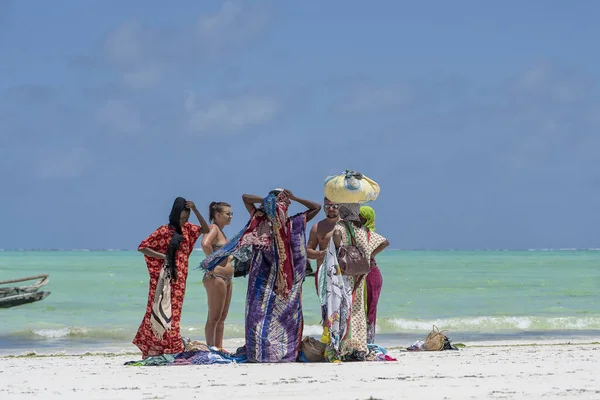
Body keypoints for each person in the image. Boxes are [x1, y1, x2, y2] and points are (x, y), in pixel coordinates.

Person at [202, 189, 320, 362]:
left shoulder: (292, 224)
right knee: (258, 316)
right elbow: (245, 198)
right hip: (261, 280)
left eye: (283, 203)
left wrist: (293, 197)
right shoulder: (259, 221)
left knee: (285, 318)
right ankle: (259, 353)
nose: (280, 206)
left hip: (286, 282)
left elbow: (316, 207)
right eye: (277, 202)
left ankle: (282, 353)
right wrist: (267, 200)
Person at [133, 198, 210, 359]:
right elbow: (143, 247)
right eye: (181, 219)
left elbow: (206, 229)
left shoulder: (188, 229)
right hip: (163, 279)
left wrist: (195, 209)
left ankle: (171, 347)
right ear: (175, 215)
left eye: (186, 219)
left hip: (180, 279)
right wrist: (164, 256)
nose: (184, 222)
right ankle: (151, 349)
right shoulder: (164, 231)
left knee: (174, 313)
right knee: (155, 311)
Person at [322, 203, 389, 361]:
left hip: (344, 274)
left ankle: (344, 346)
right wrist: (367, 255)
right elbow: (385, 242)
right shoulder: (364, 231)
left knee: (343, 307)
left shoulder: (341, 228)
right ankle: (359, 346)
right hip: (360, 273)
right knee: (359, 308)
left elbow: (337, 244)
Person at [201, 202, 234, 349]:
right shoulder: (213, 228)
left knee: (222, 317)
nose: (230, 216)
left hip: (227, 279)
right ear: (217, 215)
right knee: (214, 317)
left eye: (231, 213)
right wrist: (214, 261)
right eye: (228, 213)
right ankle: (211, 348)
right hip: (216, 278)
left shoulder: (223, 233)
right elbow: (205, 244)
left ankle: (219, 348)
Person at [306, 197, 340, 292]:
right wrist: (321, 254)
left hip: (343, 273)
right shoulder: (317, 227)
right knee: (324, 305)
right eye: (327, 206)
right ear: (324, 208)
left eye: (335, 206)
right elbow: (308, 251)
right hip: (322, 272)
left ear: (340, 207)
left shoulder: (346, 226)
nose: (331, 209)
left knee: (344, 305)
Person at [360, 206, 382, 344]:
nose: (358, 219)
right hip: (361, 274)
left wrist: (370, 254)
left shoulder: (369, 233)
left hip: (372, 275)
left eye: (361, 216)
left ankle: (369, 340)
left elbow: (385, 242)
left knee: (370, 307)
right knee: (359, 308)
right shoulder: (358, 232)